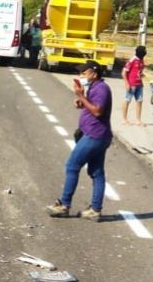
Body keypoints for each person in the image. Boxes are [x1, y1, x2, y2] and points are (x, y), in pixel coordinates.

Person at [47, 61, 113, 220]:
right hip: (98, 135)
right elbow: (93, 107)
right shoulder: (95, 87)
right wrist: (82, 102)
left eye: (84, 73)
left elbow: (98, 111)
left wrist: (81, 96)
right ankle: (95, 209)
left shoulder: (102, 88)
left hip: (94, 135)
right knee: (96, 172)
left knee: (72, 166)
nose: (81, 76)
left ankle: (64, 204)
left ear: (94, 74)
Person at [123, 45, 146, 126]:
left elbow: (139, 71)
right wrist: (126, 83)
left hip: (139, 84)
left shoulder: (141, 60)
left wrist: (142, 75)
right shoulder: (132, 60)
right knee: (127, 100)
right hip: (131, 84)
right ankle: (124, 119)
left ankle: (138, 120)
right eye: (144, 51)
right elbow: (124, 72)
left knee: (139, 101)